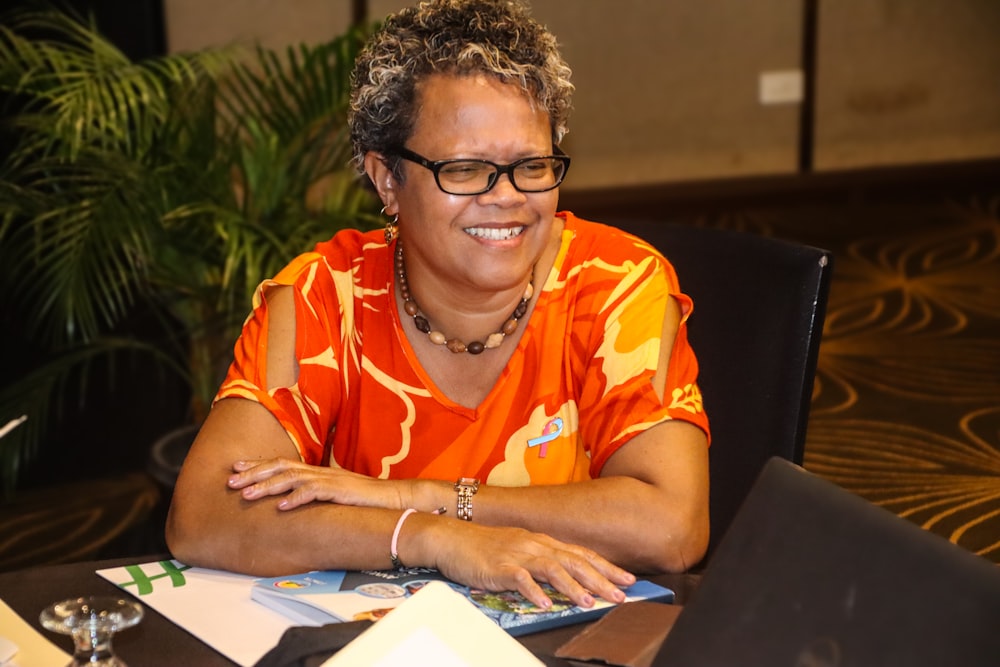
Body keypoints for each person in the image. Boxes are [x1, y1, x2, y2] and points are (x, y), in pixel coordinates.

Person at [166, 0, 710, 612]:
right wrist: (434, 537)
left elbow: (671, 528)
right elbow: (205, 515)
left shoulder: (615, 281)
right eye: (466, 169)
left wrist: (418, 496)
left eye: (531, 165)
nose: (507, 198)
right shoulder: (326, 295)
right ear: (387, 178)